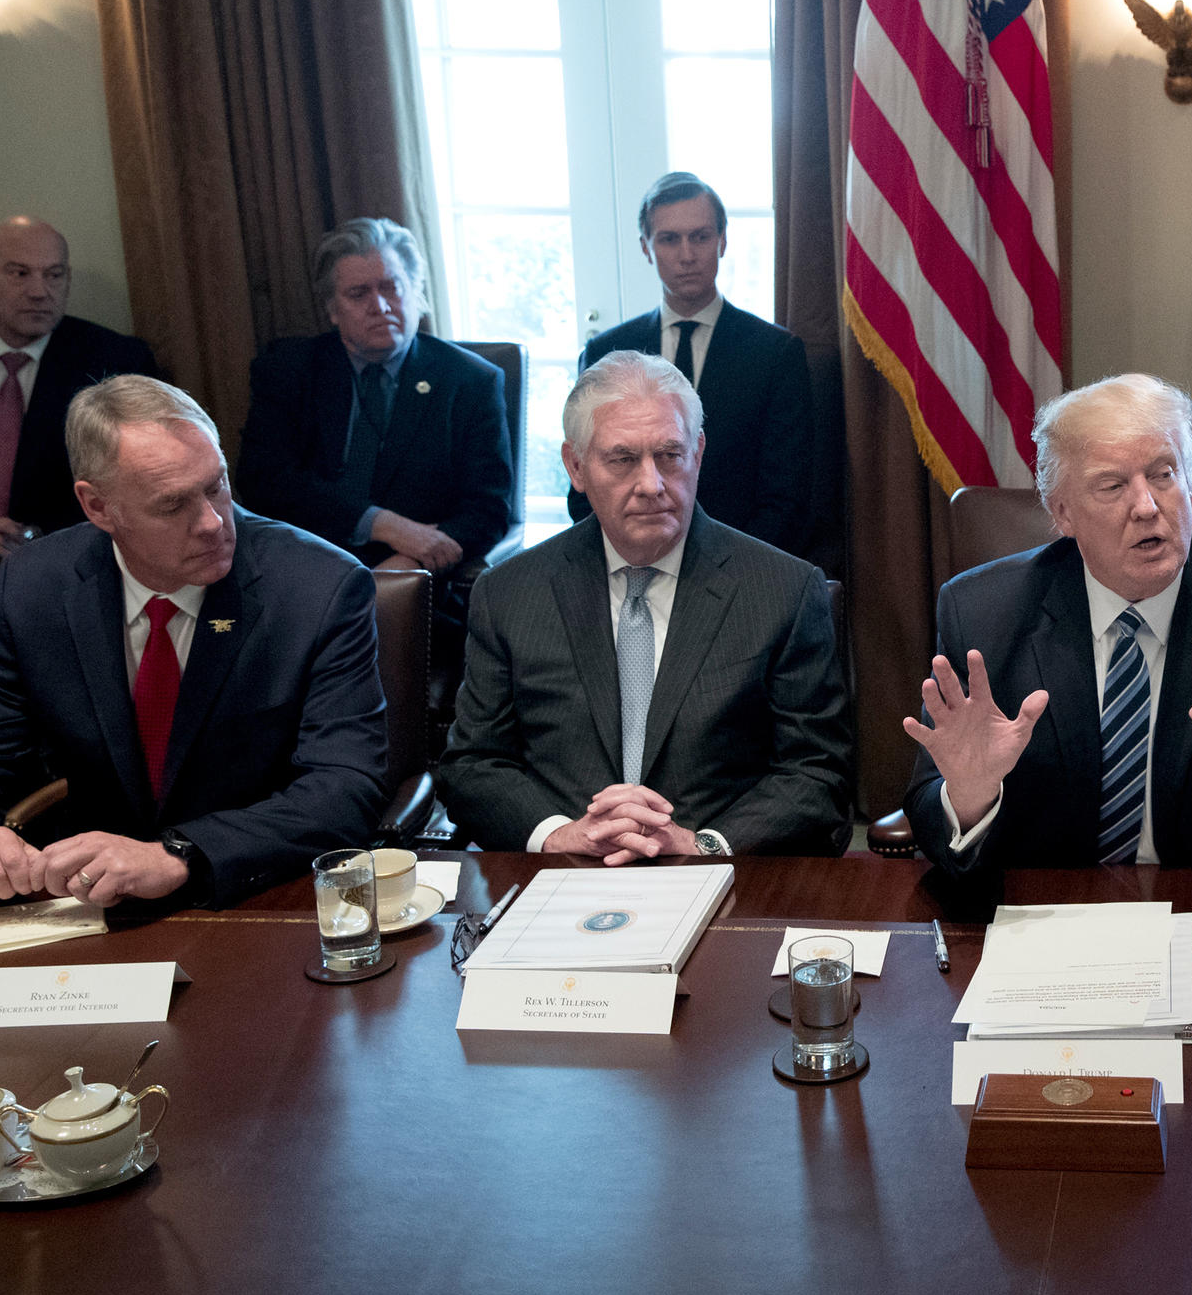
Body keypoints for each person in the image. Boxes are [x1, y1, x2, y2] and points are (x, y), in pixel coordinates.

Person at [0, 376, 387, 909]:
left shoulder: (318, 587)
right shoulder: (35, 586)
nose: (214, 522)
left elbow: (345, 785)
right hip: (88, 906)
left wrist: (181, 853)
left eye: (216, 484)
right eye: (172, 506)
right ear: (98, 507)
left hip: (253, 896)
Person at [901, 374, 1192, 873]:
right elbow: (932, 821)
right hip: (1044, 915)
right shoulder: (981, 613)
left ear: (1191, 487)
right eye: (1112, 485)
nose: (1147, 507)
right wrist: (970, 797)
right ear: (1063, 513)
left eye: (1164, 474)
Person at [437, 352, 849, 859]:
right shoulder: (509, 594)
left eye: (670, 455)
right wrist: (560, 835)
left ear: (697, 453)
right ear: (576, 466)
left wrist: (700, 845)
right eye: (623, 459)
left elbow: (817, 773)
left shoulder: (782, 588)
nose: (652, 484)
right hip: (564, 874)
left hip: (717, 876)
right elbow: (473, 764)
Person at [237, 219, 514, 652]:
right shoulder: (289, 370)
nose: (380, 305)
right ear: (331, 309)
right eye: (359, 294)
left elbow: (488, 508)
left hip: (415, 590)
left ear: (416, 294)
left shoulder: (469, 381)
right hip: (301, 571)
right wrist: (383, 524)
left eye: (391, 287)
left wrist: (409, 564)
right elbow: (264, 481)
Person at [570, 173, 813, 557]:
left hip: (743, 564)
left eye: (700, 237)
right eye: (669, 239)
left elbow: (788, 496)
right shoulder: (605, 350)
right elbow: (584, 490)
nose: (687, 255)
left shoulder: (776, 353)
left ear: (722, 241)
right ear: (647, 248)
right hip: (631, 562)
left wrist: (725, 566)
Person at [0, 217, 159, 559]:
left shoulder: (114, 362)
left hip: (57, 565)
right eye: (19, 273)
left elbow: (137, 486)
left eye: (54, 275)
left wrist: (38, 540)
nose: (40, 292)